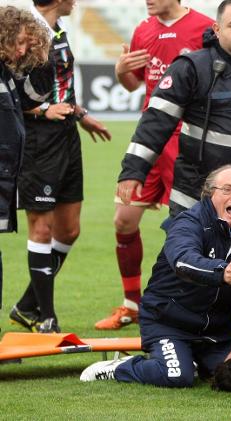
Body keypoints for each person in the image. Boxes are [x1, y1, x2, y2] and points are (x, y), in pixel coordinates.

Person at [80, 165, 231, 387]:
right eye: (227, 189)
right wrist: (220, 271)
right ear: (210, 193)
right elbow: (183, 261)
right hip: (168, 323)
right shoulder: (188, 222)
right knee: (176, 375)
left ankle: (193, 361)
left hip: (217, 330)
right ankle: (120, 367)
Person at [117, 0, 231, 220]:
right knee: (186, 254)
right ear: (217, 29)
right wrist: (133, 171)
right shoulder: (190, 68)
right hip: (197, 197)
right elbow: (155, 123)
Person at [96, 0, 214, 331]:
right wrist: (120, 71)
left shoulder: (204, 27)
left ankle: (189, 305)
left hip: (187, 138)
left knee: (187, 226)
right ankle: (132, 304)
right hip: (149, 139)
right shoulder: (143, 30)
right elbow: (134, 84)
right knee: (123, 220)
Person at [10, 0, 111, 334]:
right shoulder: (23, 32)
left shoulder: (57, 31)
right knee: (41, 227)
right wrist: (41, 112)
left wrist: (80, 115)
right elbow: (10, 93)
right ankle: (46, 317)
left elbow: (58, 85)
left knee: (68, 230)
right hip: (39, 141)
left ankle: (26, 305)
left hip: (66, 136)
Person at [0, 6, 50, 317]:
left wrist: (40, 54)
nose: (21, 50)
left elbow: (33, 98)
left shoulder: (6, 73)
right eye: (17, 42)